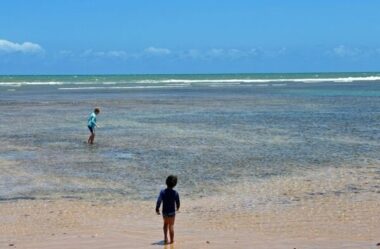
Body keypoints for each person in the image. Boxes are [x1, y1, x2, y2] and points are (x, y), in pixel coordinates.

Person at [156, 175, 180, 244]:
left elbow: (159, 201)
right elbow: (178, 202)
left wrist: (157, 208)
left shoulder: (162, 192)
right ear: (175, 184)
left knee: (165, 224)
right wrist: (177, 208)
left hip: (165, 212)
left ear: (166, 182)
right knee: (171, 225)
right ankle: (172, 241)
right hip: (172, 212)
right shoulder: (175, 193)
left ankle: (165, 238)